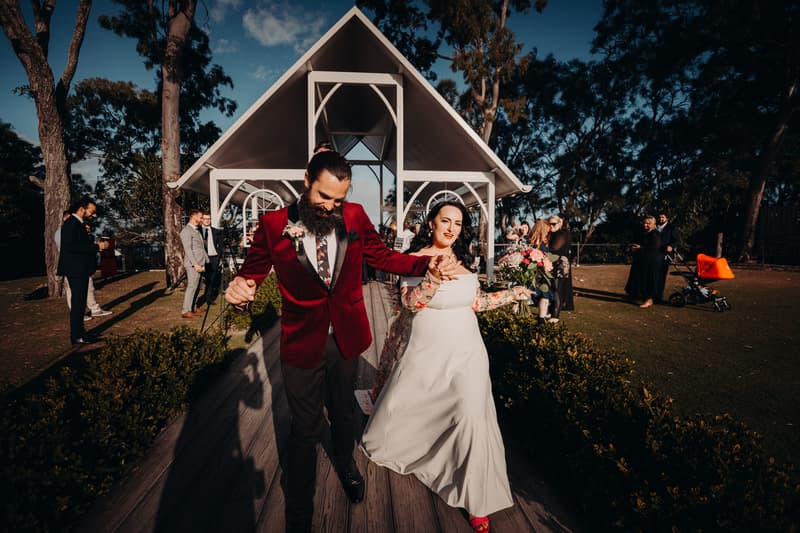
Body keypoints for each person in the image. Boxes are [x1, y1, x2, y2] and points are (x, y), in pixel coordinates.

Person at [224, 150, 453, 533]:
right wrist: (241, 287)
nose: (330, 206)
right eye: (323, 197)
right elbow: (251, 274)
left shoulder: (355, 217)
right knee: (304, 427)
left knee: (344, 412)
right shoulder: (273, 224)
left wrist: (422, 263)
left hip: (346, 335)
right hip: (301, 342)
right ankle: (300, 508)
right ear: (306, 181)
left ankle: (346, 464)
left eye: (338, 199)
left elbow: (382, 256)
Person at [361, 201, 530, 533]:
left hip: (468, 351)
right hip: (427, 352)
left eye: (457, 222)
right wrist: (433, 278)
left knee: (470, 414)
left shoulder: (465, 261)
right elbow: (412, 304)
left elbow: (475, 302)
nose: (451, 228)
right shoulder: (414, 259)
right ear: (431, 223)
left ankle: (477, 502)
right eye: (445, 221)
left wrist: (513, 294)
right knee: (419, 410)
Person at [57, 197, 110, 345]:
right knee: (78, 303)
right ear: (81, 209)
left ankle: (81, 333)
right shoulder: (71, 224)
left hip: (80, 268)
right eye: (91, 212)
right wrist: (97, 247)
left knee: (80, 302)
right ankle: (76, 336)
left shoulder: (77, 224)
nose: (93, 216)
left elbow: (78, 244)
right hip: (75, 269)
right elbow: (71, 247)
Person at [624, 215, 662, 308]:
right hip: (641, 260)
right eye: (644, 223)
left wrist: (641, 248)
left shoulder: (655, 234)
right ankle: (637, 296)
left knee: (650, 280)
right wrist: (632, 248)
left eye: (648, 224)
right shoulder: (642, 233)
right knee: (639, 279)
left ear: (654, 225)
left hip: (652, 262)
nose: (645, 225)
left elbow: (654, 248)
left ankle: (649, 300)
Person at [179, 209, 208, 319]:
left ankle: (193, 307)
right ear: (193, 216)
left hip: (200, 263)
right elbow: (188, 250)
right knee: (192, 287)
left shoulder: (196, 230)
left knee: (197, 286)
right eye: (200, 217)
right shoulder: (186, 231)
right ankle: (186, 311)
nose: (202, 219)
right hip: (193, 264)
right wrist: (195, 264)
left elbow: (199, 247)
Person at [527, 219, 555, 322]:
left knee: (544, 294)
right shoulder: (540, 244)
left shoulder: (531, 242)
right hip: (537, 275)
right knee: (544, 294)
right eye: (547, 230)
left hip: (538, 274)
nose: (549, 232)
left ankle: (542, 316)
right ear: (542, 230)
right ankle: (541, 318)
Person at [548, 215, 574, 313]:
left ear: (560, 223)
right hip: (554, 263)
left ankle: (555, 315)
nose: (551, 226)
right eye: (549, 224)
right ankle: (552, 311)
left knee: (557, 289)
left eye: (553, 224)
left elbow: (554, 248)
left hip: (560, 264)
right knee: (554, 288)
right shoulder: (553, 234)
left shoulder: (562, 234)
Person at [196, 212, 223, 307]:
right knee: (199, 279)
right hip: (202, 258)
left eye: (209, 219)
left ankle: (208, 298)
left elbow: (221, 246)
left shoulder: (216, 231)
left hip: (213, 257)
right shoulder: (197, 231)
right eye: (205, 218)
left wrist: (219, 256)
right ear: (202, 220)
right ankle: (195, 301)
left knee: (211, 279)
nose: (207, 220)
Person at [655, 211, 680, 303]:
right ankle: (651, 295)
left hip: (665, 255)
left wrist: (671, 246)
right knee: (654, 276)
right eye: (659, 217)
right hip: (655, 255)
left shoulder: (672, 228)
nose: (661, 219)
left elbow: (677, 241)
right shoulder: (655, 227)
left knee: (661, 277)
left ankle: (658, 297)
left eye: (663, 217)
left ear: (667, 218)